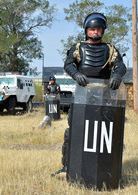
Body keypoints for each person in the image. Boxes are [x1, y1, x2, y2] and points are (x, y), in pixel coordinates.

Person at [52, 13, 127, 176]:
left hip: (105, 97)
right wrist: (76, 75)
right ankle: (68, 167)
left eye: (98, 29)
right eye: (92, 29)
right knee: (73, 133)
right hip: (82, 96)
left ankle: (107, 169)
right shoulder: (78, 48)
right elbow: (68, 64)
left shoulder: (110, 49)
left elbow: (120, 65)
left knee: (108, 132)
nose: (95, 32)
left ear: (103, 30)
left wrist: (116, 76)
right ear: (87, 30)